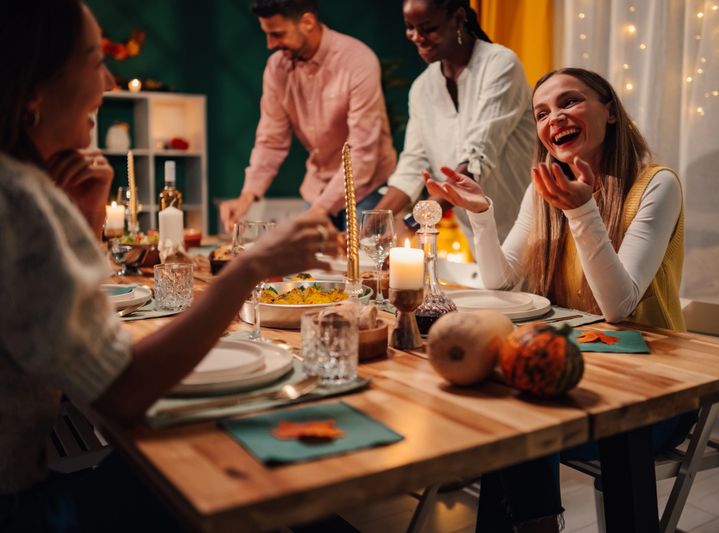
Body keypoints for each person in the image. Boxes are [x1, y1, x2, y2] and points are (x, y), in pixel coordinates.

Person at [0, 1, 338, 530]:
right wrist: (249, 269)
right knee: (245, 469)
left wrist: (85, 216)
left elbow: (68, 321)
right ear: (33, 90)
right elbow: (122, 393)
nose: (109, 80)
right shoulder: (18, 200)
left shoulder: (21, 190)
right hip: (28, 510)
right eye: (94, 60)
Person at [426, 68, 692, 531]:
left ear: (610, 111)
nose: (555, 119)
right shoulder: (545, 188)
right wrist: (483, 215)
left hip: (654, 397)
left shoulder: (656, 185)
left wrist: (581, 210)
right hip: (580, 374)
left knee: (514, 420)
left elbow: (619, 306)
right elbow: (502, 281)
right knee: (504, 412)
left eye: (570, 103)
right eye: (542, 113)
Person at [219, 0, 397, 232]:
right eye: (267, 34)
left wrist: (318, 212)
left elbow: (362, 151)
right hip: (317, 190)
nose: (270, 44)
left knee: (366, 267)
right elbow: (270, 141)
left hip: (366, 192)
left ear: (307, 22)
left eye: (277, 34)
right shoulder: (276, 68)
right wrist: (246, 197)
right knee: (310, 268)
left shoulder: (357, 61)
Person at [375, 0, 534, 251]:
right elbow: (413, 165)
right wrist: (374, 222)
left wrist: (414, 222)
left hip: (529, 228)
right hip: (479, 237)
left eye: (428, 28)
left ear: (458, 19)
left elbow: (475, 161)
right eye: (409, 27)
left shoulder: (500, 65)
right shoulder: (422, 88)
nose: (417, 37)